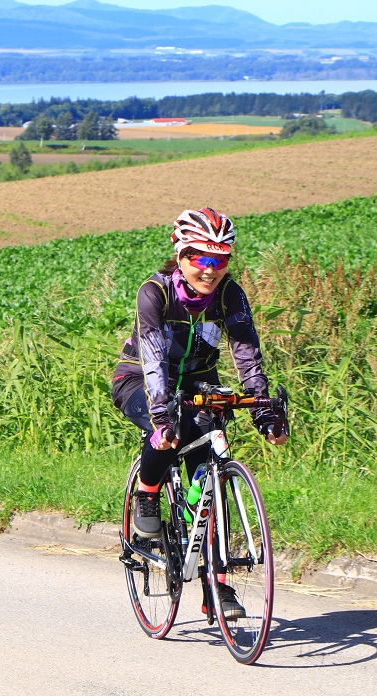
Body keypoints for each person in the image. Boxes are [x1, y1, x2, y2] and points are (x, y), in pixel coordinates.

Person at [111, 207, 287, 620]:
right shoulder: (156, 292)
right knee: (170, 432)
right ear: (181, 254)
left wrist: (263, 412)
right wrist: (162, 416)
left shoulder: (230, 295)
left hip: (198, 384)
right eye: (201, 259)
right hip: (139, 379)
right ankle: (149, 493)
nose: (210, 270)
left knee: (209, 475)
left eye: (220, 260)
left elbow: (247, 357)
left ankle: (217, 589)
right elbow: (154, 359)